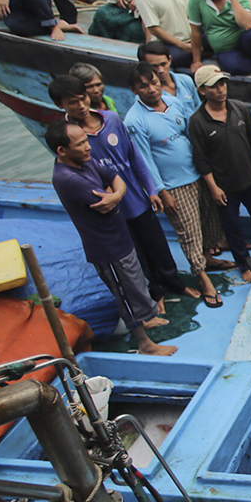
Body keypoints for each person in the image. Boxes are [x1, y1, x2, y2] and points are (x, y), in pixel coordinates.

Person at [48, 75, 201, 309]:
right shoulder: (69, 137)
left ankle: (176, 283)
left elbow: (133, 156)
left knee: (157, 243)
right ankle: (154, 293)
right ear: (61, 106)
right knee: (135, 254)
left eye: (82, 99)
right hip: (111, 207)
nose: (81, 106)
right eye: (72, 103)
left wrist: (151, 189)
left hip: (135, 196)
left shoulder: (111, 119)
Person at [45, 119, 177, 356]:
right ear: (62, 151)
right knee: (125, 294)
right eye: (80, 143)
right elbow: (109, 206)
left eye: (86, 141)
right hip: (107, 248)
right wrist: (116, 197)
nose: (88, 147)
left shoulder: (84, 162)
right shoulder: (68, 178)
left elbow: (116, 180)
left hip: (120, 237)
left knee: (137, 283)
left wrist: (114, 195)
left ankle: (145, 320)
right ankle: (145, 344)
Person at [124, 62, 230, 303]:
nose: (152, 89)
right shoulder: (134, 121)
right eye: (144, 86)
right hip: (174, 184)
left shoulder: (173, 102)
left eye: (154, 82)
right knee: (188, 231)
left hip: (197, 173)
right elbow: (144, 160)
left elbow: (190, 134)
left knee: (209, 221)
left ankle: (207, 258)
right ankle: (202, 277)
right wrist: (161, 192)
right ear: (133, 90)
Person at [188, 65, 251, 281]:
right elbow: (201, 160)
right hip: (224, 185)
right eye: (214, 86)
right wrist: (214, 188)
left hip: (249, 177)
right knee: (232, 226)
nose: (221, 89)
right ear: (202, 90)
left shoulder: (239, 108)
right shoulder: (198, 122)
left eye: (222, 83)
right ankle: (244, 264)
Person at [139, 40, 201, 115]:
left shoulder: (186, 81)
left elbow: (198, 108)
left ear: (169, 60)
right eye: (154, 66)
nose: (161, 70)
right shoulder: (149, 94)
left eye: (163, 64)